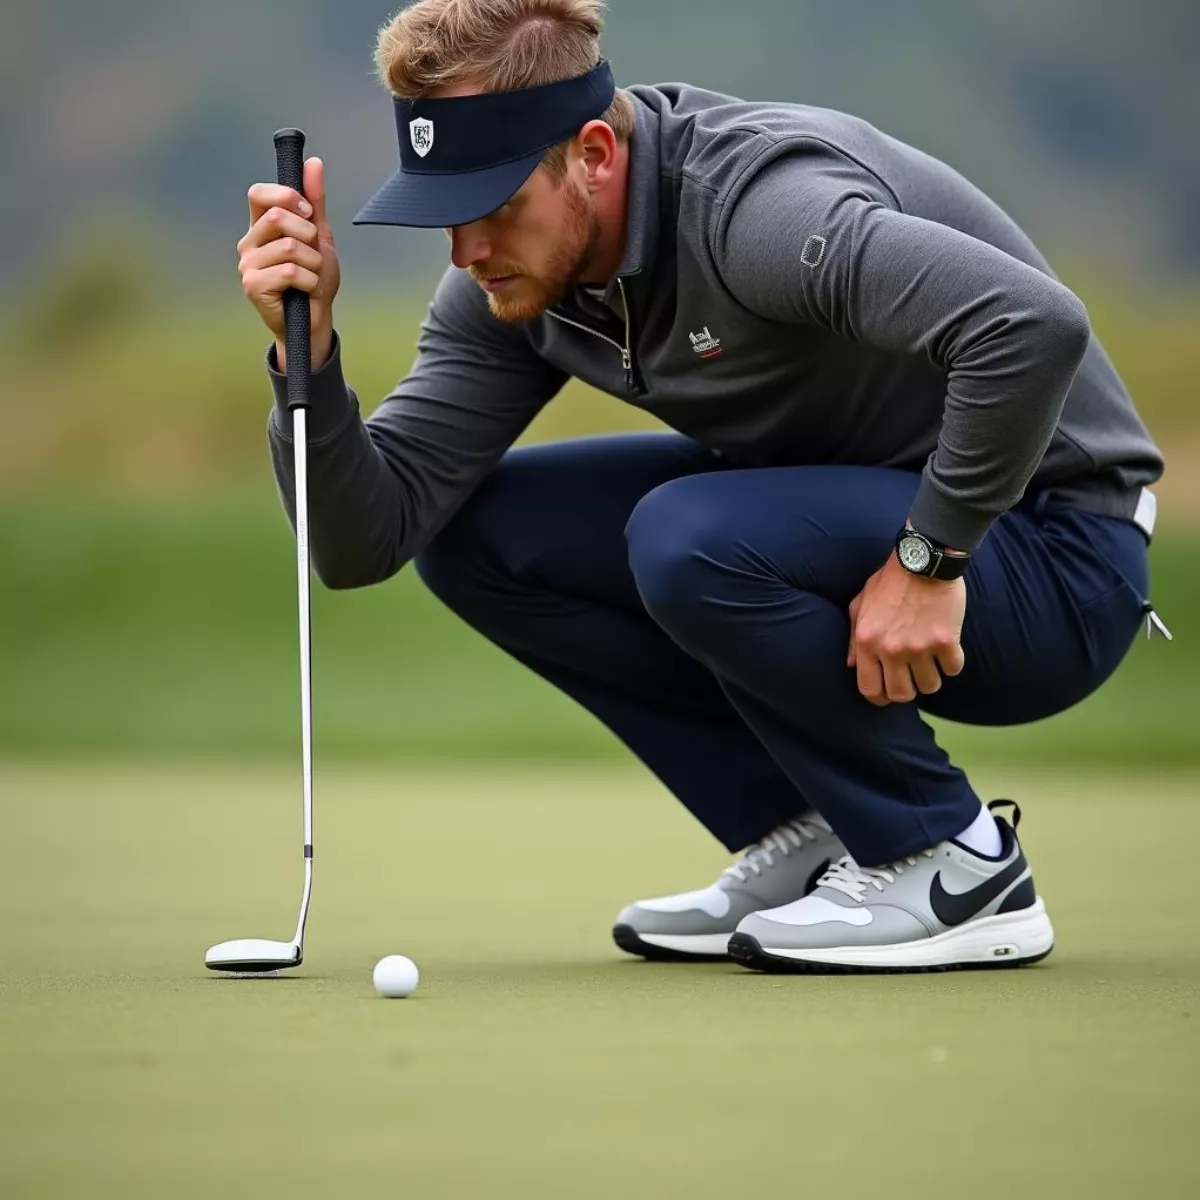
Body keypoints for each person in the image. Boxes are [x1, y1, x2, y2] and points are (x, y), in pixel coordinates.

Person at [236, 0, 1167, 974]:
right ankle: (815, 836)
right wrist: (309, 352)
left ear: (592, 153)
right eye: (446, 216)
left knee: (687, 535)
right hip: (878, 525)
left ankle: (953, 864)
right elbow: (363, 539)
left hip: (1055, 556)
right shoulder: (507, 285)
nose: (467, 252)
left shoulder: (758, 212)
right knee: (482, 538)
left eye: (497, 203)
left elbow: (1031, 326)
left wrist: (931, 557)